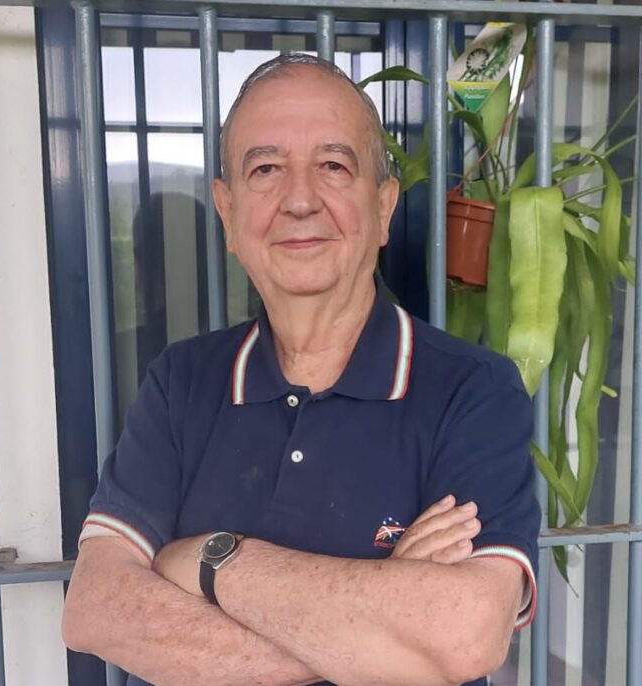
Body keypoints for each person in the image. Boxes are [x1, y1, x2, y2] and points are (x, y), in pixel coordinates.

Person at [62, 53, 540, 686]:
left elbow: (465, 633)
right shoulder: (180, 382)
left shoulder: (473, 391)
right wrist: (382, 622)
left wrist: (212, 562)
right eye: (265, 169)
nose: (299, 200)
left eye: (333, 166)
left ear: (384, 207)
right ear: (228, 214)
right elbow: (96, 608)